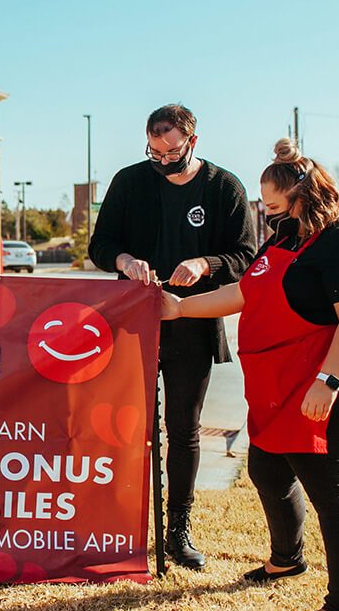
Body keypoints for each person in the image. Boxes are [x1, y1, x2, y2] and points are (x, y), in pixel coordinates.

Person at [161, 137, 339, 611]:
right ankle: (287, 558)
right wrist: (179, 307)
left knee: (334, 495)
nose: (269, 212)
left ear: (307, 195)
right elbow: (242, 290)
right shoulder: (284, 238)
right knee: (267, 469)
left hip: (326, 380)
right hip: (276, 384)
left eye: (277, 204)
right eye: (267, 205)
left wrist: (327, 382)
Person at [89, 103, 256, 569]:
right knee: (118, 427)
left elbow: (246, 255)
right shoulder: (129, 181)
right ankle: (112, 524)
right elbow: (99, 246)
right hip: (131, 325)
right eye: (154, 151)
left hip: (193, 323)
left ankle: (177, 531)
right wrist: (123, 261)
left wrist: (207, 264)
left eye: (171, 151)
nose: (162, 160)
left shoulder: (224, 187)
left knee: (183, 430)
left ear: (192, 142)